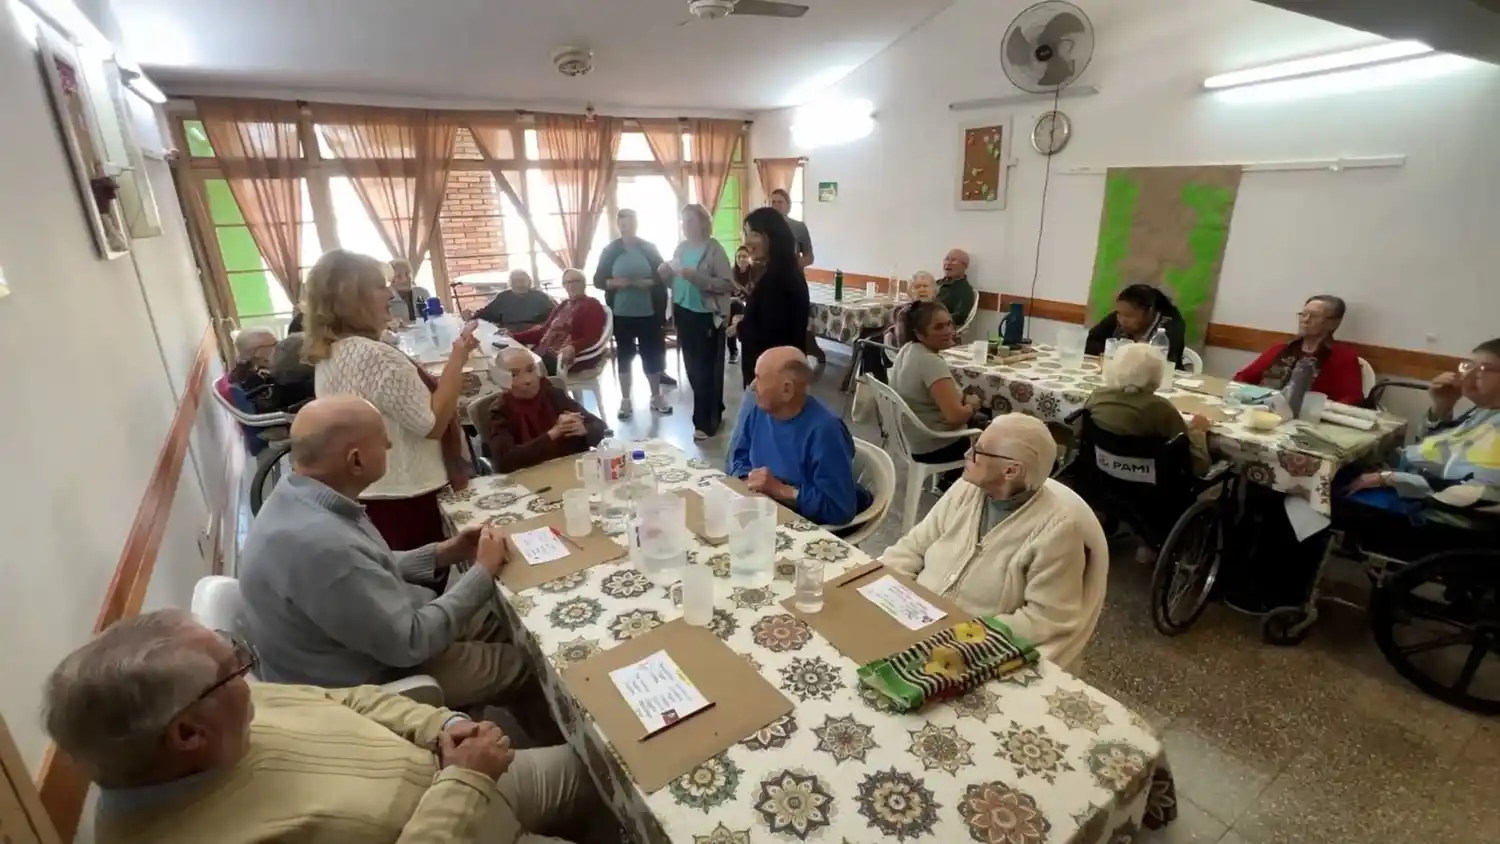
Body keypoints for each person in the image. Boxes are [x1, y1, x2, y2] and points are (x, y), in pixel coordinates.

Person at [43, 610, 598, 844]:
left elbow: (346, 698)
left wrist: (442, 726)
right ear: (189, 734)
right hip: (465, 810)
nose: (249, 672)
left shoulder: (221, 716)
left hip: (464, 775)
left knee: (608, 766)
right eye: (233, 667)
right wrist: (463, 783)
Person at [239, 395, 527, 709]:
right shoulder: (322, 544)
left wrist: (444, 552)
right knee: (526, 663)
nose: (389, 445)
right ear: (356, 460)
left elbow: (364, 567)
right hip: (368, 682)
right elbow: (412, 642)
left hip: (375, 640)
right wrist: (482, 572)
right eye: (382, 439)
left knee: (503, 619)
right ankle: (557, 752)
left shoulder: (296, 495)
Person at [882, 414, 1110, 669]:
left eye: (979, 450)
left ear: (1011, 471)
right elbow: (913, 546)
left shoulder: (1058, 531)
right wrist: (886, 591)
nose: (967, 454)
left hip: (968, 653)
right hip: (911, 618)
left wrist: (967, 638)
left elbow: (1048, 617)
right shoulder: (964, 489)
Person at [303, 249, 476, 550]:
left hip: (367, 492)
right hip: (406, 494)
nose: (391, 294)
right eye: (381, 287)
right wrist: (458, 358)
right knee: (420, 582)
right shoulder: (375, 356)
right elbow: (431, 425)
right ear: (354, 299)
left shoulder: (332, 350)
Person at [1343, 338, 1500, 512]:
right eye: (1469, 366)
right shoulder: (1484, 410)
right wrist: (1442, 406)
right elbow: (1430, 447)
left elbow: (1465, 491)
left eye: (1484, 369)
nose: (1468, 375)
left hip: (1428, 509)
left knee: (1333, 488)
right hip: (1406, 474)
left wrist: (1388, 478)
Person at [727, 346, 873, 526]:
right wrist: (747, 479)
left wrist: (779, 490)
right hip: (765, 513)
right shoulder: (760, 410)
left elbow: (840, 509)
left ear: (786, 390)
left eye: (759, 378)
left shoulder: (826, 432)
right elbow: (739, 458)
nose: (754, 386)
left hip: (807, 526)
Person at [660, 203, 734, 439]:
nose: (685, 226)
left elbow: (726, 284)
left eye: (690, 221)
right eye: (683, 221)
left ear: (703, 222)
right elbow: (674, 280)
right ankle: (715, 408)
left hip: (706, 315)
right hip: (683, 311)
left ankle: (704, 423)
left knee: (706, 370)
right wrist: (665, 272)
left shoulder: (714, 250)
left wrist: (699, 278)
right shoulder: (680, 248)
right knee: (692, 369)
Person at [1084, 341, 1212, 477]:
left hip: (1100, 481)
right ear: (1157, 377)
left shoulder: (1098, 397)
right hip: (1152, 491)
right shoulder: (1161, 409)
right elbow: (1198, 466)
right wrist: (1198, 431)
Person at [891, 301, 991, 473]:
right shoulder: (930, 362)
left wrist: (963, 400)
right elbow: (956, 417)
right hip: (938, 446)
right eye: (938, 327)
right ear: (919, 334)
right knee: (1008, 434)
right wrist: (973, 405)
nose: (948, 331)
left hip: (912, 440)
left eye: (949, 324)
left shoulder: (907, 350)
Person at [594, 208, 671, 418]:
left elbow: (663, 275)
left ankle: (656, 397)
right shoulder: (610, 250)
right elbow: (598, 280)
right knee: (625, 356)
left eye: (630, 223)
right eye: (623, 223)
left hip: (649, 313)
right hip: (622, 313)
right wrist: (614, 282)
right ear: (618, 226)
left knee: (652, 355)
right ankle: (626, 400)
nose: (626, 227)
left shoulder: (649, 248)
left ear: (636, 224)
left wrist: (649, 282)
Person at [485, 348, 608, 473]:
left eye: (530, 370)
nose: (527, 380)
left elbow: (602, 428)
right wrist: (553, 434)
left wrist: (585, 429)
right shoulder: (500, 411)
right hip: (530, 478)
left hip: (571, 470)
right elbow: (505, 461)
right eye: (515, 374)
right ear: (502, 380)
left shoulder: (552, 394)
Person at [1233, 294, 1364, 405]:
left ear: (1333, 323)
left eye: (1314, 316)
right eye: (1303, 314)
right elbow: (1242, 378)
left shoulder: (1343, 357)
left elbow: (1352, 400)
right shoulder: (1282, 349)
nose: (1305, 320)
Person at [738, 207, 811, 388]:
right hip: (775, 376)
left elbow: (771, 336)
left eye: (754, 234)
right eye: (746, 234)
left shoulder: (779, 278)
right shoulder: (780, 271)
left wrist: (740, 326)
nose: (747, 241)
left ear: (773, 236)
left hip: (774, 379)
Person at [509, 268, 608, 377]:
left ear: (584, 283)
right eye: (567, 282)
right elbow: (543, 331)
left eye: (575, 281)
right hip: (544, 353)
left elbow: (592, 336)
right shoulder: (564, 304)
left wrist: (574, 346)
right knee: (511, 363)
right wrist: (513, 336)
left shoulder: (592, 305)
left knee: (517, 371)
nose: (571, 285)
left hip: (570, 358)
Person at [858, 271, 939, 383]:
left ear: (934, 291)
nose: (922, 289)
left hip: (910, 351)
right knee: (870, 342)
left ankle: (877, 383)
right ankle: (876, 382)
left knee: (870, 343)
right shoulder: (903, 310)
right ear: (911, 292)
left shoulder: (938, 311)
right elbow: (900, 337)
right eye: (917, 287)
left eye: (925, 286)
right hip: (899, 349)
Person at [1084, 283, 1186, 368]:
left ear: (1149, 312)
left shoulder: (1170, 327)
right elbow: (1093, 339)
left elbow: (1165, 362)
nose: (1122, 320)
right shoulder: (1118, 317)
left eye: (1129, 316)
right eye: (1119, 313)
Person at [467, 269, 556, 334]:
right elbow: (486, 314)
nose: (519, 284)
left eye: (522, 281)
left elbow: (555, 317)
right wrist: (471, 315)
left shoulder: (541, 297)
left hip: (532, 335)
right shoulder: (503, 297)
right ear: (510, 283)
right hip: (507, 335)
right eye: (515, 281)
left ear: (529, 282)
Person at [227, 327, 280, 415]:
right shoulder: (250, 381)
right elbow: (268, 409)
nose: (278, 347)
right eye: (274, 344)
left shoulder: (251, 369)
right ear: (257, 351)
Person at [727, 244, 756, 365]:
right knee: (732, 312)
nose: (741, 259)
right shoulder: (731, 273)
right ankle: (733, 351)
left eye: (744, 256)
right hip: (735, 304)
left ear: (749, 258)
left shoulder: (755, 272)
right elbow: (726, 295)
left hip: (751, 305)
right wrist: (734, 299)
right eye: (739, 257)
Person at [937, 249, 977, 329]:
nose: (948, 263)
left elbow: (960, 316)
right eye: (947, 259)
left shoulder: (964, 290)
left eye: (953, 260)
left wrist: (935, 320)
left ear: (964, 266)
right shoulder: (937, 283)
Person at [386, 258, 433, 325]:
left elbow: (433, 317)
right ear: (390, 279)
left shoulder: (422, 292)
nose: (405, 279)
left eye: (407, 274)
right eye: (399, 276)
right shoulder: (385, 298)